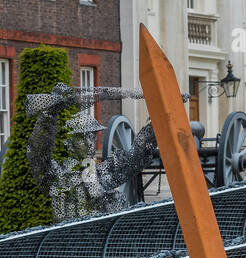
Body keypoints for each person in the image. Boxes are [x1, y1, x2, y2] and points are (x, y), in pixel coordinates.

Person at [25, 83, 160, 221]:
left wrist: (158, 121)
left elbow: (135, 156)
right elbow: (37, 154)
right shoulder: (57, 176)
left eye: (93, 136)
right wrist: (49, 116)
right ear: (69, 144)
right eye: (82, 137)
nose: (89, 142)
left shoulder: (105, 172)